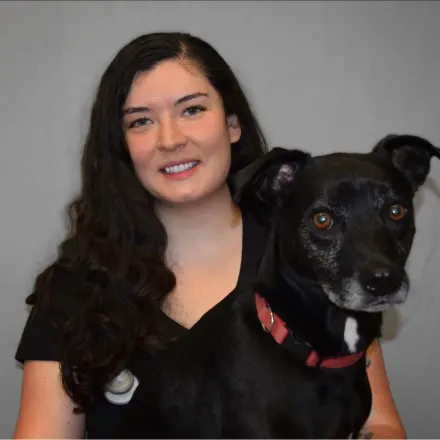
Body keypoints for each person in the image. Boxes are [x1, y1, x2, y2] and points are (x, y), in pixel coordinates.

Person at [13, 32, 406, 439]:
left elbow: (380, 425)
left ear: (232, 125)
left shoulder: (311, 254)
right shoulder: (76, 287)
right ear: (123, 146)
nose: (171, 140)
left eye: (193, 110)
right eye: (141, 121)